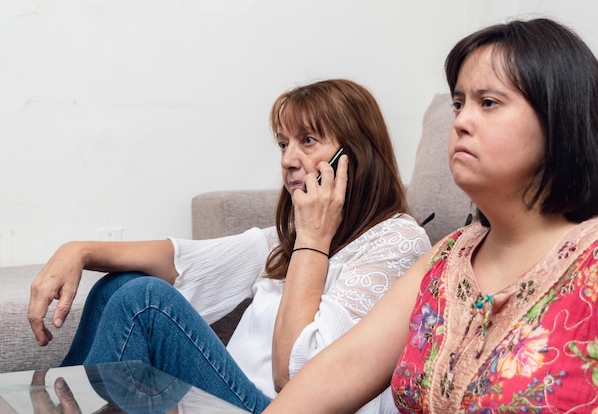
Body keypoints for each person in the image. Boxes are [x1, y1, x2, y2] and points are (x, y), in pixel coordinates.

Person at [263, 18, 598, 413]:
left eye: (488, 103)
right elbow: (308, 389)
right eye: (459, 103)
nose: (460, 122)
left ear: (561, 118)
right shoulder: (444, 262)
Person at [27, 78, 431, 413]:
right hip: (235, 397)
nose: (288, 159)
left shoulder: (396, 241)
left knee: (146, 301)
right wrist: (76, 250)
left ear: (354, 157)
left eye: (307, 141)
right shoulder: (289, 239)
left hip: (281, 407)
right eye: (283, 143)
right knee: (118, 285)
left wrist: (313, 240)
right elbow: (181, 262)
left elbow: (298, 374)